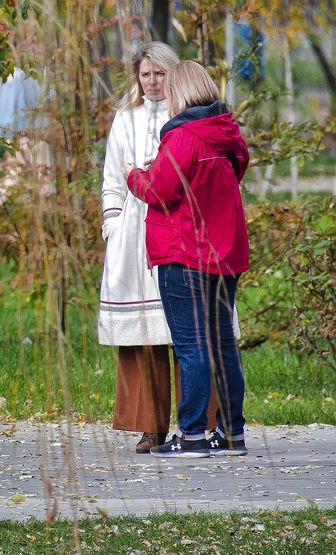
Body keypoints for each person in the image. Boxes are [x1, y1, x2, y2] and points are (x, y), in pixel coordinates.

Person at [124, 60, 250, 459]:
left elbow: (160, 192)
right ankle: (232, 434)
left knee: (191, 345)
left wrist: (133, 175)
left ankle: (192, 435)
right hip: (225, 251)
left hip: (185, 253)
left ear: (181, 92)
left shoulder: (182, 137)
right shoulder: (226, 132)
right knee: (222, 344)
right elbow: (227, 174)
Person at [97, 42, 218, 454]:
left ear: (174, 73)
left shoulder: (189, 117)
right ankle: (150, 425)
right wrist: (112, 226)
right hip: (134, 235)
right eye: (145, 74)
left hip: (184, 228)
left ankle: (200, 422)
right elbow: (113, 177)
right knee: (145, 334)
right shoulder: (125, 118)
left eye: (160, 74)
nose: (152, 82)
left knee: (190, 331)